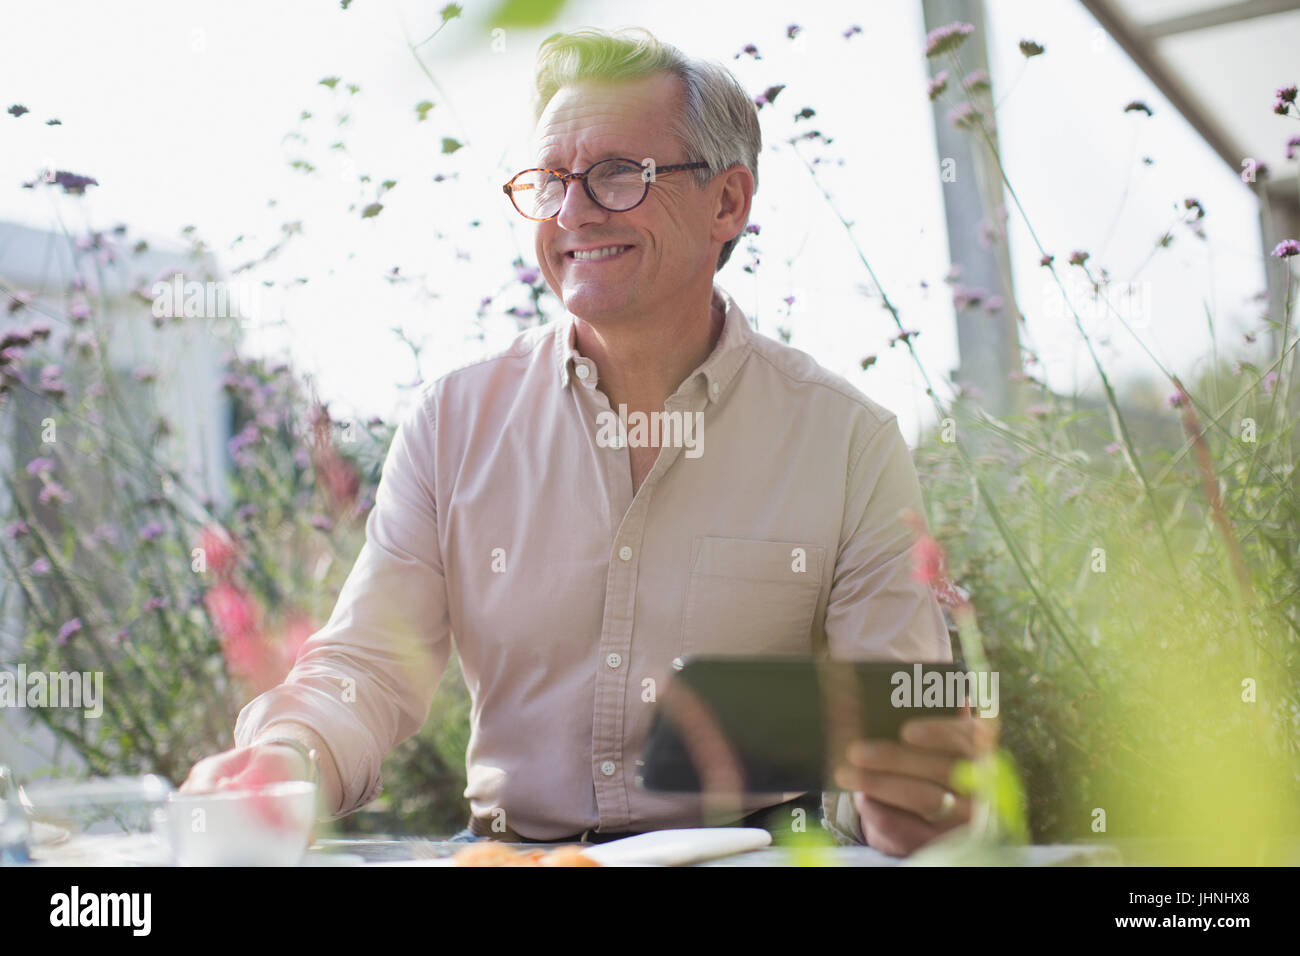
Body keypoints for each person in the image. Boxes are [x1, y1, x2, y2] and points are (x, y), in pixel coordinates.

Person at [181, 26, 992, 856]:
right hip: (513, 861)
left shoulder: (847, 442)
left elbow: (894, 724)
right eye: (551, 181)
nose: (571, 213)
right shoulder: (452, 423)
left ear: (728, 202)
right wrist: (286, 756)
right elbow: (370, 668)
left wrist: (902, 800)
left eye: (615, 174)